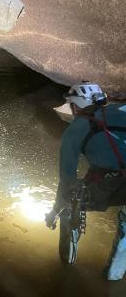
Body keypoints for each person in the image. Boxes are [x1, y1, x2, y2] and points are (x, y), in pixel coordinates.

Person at [45, 81, 126, 280]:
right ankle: (113, 277)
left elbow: (67, 180)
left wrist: (55, 211)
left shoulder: (76, 129)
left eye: (72, 105)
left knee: (71, 201)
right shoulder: (122, 109)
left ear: (77, 104)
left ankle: (67, 261)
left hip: (112, 182)